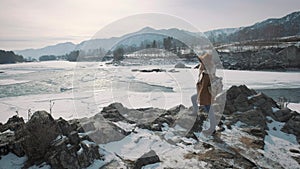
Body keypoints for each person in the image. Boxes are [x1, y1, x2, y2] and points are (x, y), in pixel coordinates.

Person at [191, 53, 217, 137]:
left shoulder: (207, 73)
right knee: (193, 98)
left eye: (202, 61)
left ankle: (212, 129)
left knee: (210, 111)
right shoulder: (207, 70)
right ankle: (195, 112)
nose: (200, 63)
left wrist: (200, 97)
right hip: (206, 93)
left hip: (206, 94)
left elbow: (204, 87)